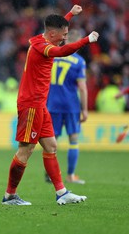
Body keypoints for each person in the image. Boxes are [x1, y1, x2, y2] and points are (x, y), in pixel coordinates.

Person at [1, 5, 99, 206]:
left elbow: (56, 25)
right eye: (63, 35)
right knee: (25, 150)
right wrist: (86, 40)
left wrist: (70, 13)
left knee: (51, 146)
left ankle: (61, 192)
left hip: (40, 105)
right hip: (31, 105)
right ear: (52, 34)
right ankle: (9, 196)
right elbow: (62, 51)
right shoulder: (43, 47)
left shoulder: (42, 37)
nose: (65, 38)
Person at [45, 29, 88, 184]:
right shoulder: (79, 61)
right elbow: (82, 87)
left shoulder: (53, 57)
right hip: (71, 106)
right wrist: (84, 109)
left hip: (52, 104)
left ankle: (49, 174)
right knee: (73, 139)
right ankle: (70, 175)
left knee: (51, 139)